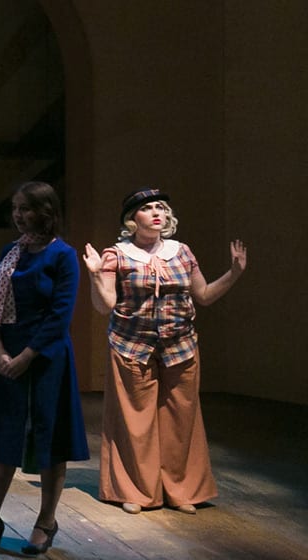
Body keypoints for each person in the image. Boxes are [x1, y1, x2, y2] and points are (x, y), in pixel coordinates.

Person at [82, 189, 247, 515]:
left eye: (160, 207)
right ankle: (136, 491)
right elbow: (106, 305)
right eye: (147, 208)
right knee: (135, 423)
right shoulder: (117, 254)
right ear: (133, 219)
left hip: (180, 345)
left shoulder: (181, 252)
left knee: (180, 420)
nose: (156, 212)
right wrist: (94, 275)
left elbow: (204, 295)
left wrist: (235, 272)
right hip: (132, 345)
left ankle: (180, 490)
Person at [0, 181, 88, 555]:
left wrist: (27, 355)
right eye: (15, 208)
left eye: (26, 208)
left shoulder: (63, 256)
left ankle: (46, 522)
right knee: (3, 437)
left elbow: (60, 315)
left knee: (50, 440)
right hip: (6, 356)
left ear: (45, 212)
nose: (18, 215)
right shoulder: (9, 253)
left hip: (45, 360)